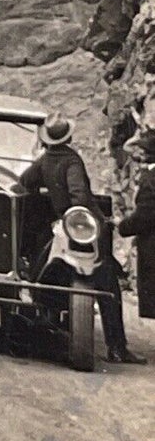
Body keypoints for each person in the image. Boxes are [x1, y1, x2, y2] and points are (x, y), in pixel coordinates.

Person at [18, 115, 145, 365]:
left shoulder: (46, 161)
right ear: (69, 137)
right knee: (108, 281)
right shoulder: (71, 160)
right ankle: (117, 348)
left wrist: (45, 203)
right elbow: (79, 195)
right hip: (82, 227)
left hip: (60, 225)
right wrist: (93, 218)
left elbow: (24, 182)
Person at [117, 130, 155, 321]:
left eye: (142, 150)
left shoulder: (150, 180)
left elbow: (145, 215)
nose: (137, 153)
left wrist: (122, 226)